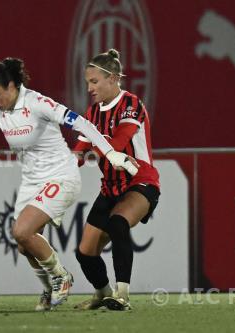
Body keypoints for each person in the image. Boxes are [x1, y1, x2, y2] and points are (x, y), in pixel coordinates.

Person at [0, 57, 137, 311]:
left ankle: (61, 276)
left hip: (60, 176)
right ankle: (48, 288)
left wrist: (110, 153)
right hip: (32, 181)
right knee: (23, 245)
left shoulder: (37, 103)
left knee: (21, 230)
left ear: (11, 86)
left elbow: (83, 123)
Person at [73, 49, 160, 311]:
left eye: (94, 81)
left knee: (118, 223)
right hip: (110, 188)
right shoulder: (92, 113)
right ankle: (103, 293)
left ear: (112, 78)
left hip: (140, 182)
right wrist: (60, 161)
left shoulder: (131, 104)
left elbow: (118, 145)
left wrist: (90, 140)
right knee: (85, 252)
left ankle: (123, 295)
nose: (89, 87)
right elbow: (78, 151)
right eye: (88, 82)